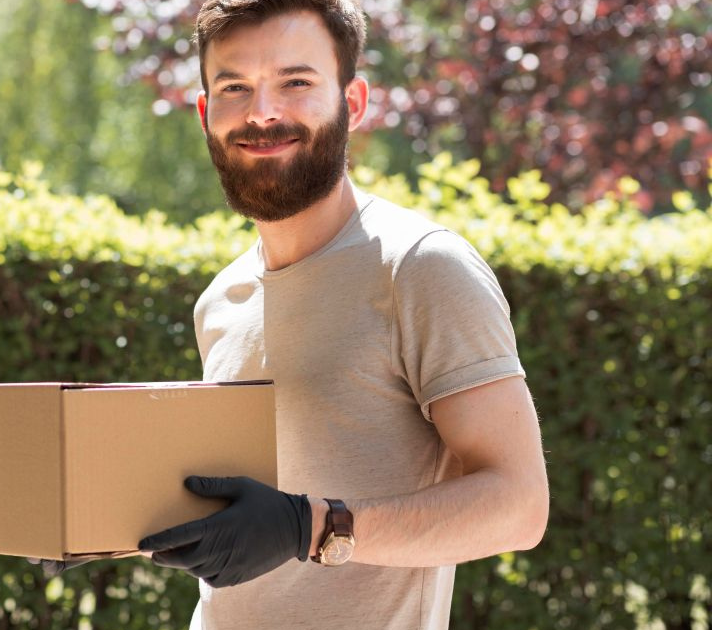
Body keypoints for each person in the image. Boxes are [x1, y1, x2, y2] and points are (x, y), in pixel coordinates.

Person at [39, 1, 549, 628]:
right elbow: (240, 518)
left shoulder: (420, 267)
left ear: (353, 102)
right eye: (234, 88)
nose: (262, 112)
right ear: (205, 114)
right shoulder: (221, 299)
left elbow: (519, 506)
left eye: (296, 82)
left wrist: (307, 527)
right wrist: (101, 520)